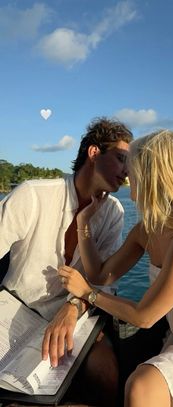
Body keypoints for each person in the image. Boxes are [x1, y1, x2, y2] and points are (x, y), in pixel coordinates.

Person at [59, 129, 173, 407]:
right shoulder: (147, 230)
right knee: (140, 387)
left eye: (133, 174)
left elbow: (144, 317)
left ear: (155, 177)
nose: (128, 184)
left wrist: (88, 294)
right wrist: (84, 223)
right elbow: (100, 274)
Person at [0, 117, 133, 406]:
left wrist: (74, 306)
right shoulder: (33, 195)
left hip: (77, 315)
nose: (127, 171)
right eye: (122, 159)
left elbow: (105, 283)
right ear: (94, 153)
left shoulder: (113, 212)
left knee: (106, 371)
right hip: (16, 309)